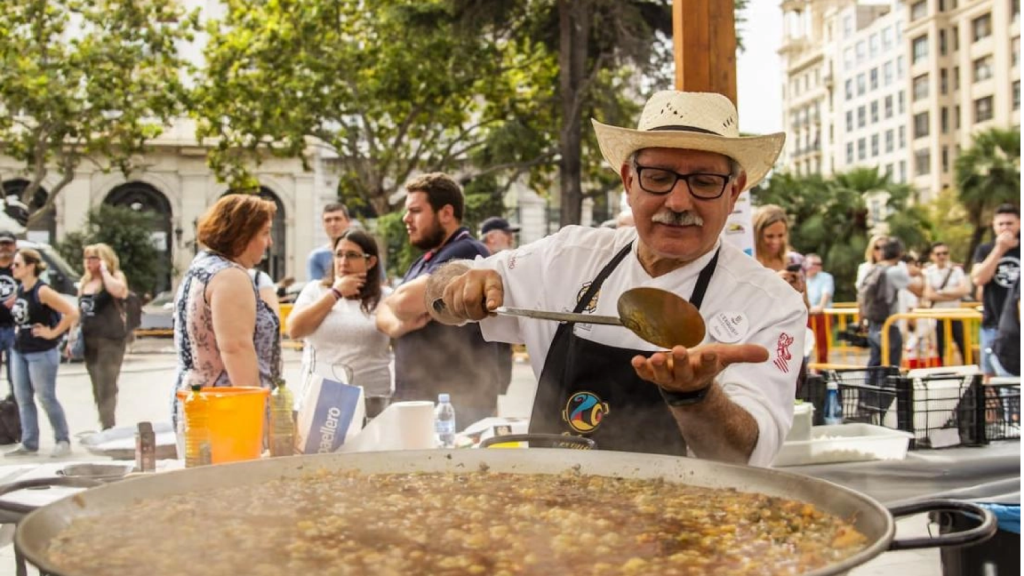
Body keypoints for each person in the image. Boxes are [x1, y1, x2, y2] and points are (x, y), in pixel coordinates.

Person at [423, 91, 805, 466]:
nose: (678, 202)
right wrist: (457, 286)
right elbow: (441, 292)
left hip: (685, 523)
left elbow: (745, 455)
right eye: (658, 177)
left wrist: (696, 396)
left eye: (704, 182)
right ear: (628, 180)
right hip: (549, 514)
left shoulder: (771, 302)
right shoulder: (567, 257)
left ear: (734, 191)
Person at [376, 173, 502, 428]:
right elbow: (382, 311)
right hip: (417, 398)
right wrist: (399, 325)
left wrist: (397, 307)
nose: (406, 219)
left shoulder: (467, 251)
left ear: (446, 213)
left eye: (415, 211)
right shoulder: (424, 261)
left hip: (458, 404)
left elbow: (401, 302)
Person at [173, 195, 280, 409]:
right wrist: (255, 414)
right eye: (265, 233)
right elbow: (236, 349)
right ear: (242, 235)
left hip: (199, 401)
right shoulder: (231, 276)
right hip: (227, 410)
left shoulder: (202, 266)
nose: (270, 242)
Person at [288, 230, 393, 416]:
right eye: (339, 254)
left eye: (352, 255)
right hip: (319, 402)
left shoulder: (385, 296)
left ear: (371, 262)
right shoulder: (316, 290)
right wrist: (336, 293)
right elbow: (295, 329)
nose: (343, 262)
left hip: (371, 400)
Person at [6, 249, 79, 457]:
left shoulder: (42, 291)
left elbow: (71, 312)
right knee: (23, 396)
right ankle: (30, 442)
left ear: (30, 267)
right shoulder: (21, 289)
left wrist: (53, 333)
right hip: (20, 348)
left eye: (17, 264)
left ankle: (62, 438)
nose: (13, 268)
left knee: (46, 396)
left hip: (41, 351)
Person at [71, 244, 130, 431]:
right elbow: (78, 312)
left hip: (111, 339)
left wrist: (104, 271)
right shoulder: (84, 282)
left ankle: (108, 424)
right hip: (90, 339)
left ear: (104, 259)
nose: (89, 263)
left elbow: (119, 291)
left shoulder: (114, 278)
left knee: (107, 383)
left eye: (94, 258)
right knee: (96, 383)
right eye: (87, 258)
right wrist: (72, 336)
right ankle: (103, 420)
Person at [970, 203, 1020, 380]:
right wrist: (999, 249)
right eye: (1001, 224)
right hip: (992, 324)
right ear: (994, 225)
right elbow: (978, 279)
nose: (1005, 227)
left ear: (1019, 223)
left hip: (1017, 326)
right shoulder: (985, 249)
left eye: (1010, 223)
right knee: (989, 376)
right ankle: (991, 409)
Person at [864, 239, 911, 372]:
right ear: (899, 253)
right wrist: (918, 274)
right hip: (889, 322)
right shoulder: (894, 271)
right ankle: (887, 391)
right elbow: (918, 289)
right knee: (891, 364)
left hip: (874, 322)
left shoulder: (874, 269)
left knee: (876, 362)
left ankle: (869, 392)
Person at [923, 242, 970, 365]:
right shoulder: (929, 271)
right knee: (939, 346)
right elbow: (929, 294)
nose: (942, 256)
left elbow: (964, 290)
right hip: (937, 315)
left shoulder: (956, 270)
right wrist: (952, 294)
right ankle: (940, 370)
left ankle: (971, 370)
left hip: (955, 313)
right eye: (938, 254)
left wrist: (941, 293)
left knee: (963, 345)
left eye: (945, 253)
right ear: (932, 256)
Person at [307, 203, 351, 282]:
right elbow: (317, 290)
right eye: (328, 220)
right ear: (323, 224)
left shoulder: (365, 251)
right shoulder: (317, 256)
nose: (333, 224)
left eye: (337, 219)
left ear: (348, 222)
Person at [752, 204, 803, 272]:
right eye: (770, 236)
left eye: (780, 235)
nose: (775, 241)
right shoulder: (750, 262)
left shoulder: (795, 260)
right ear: (757, 234)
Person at [804, 254, 834, 365]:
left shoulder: (826, 277)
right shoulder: (801, 277)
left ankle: (821, 370)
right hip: (805, 314)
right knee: (802, 344)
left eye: (819, 264)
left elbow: (826, 293)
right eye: (814, 263)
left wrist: (821, 307)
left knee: (822, 344)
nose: (817, 266)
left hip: (822, 314)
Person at [0, 232, 18, 391]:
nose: (4, 247)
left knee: (15, 376)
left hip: (15, 327)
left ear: (15, 246)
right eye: (1, 244)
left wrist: (18, 296)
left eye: (8, 244)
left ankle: (14, 411)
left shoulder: (20, 268)